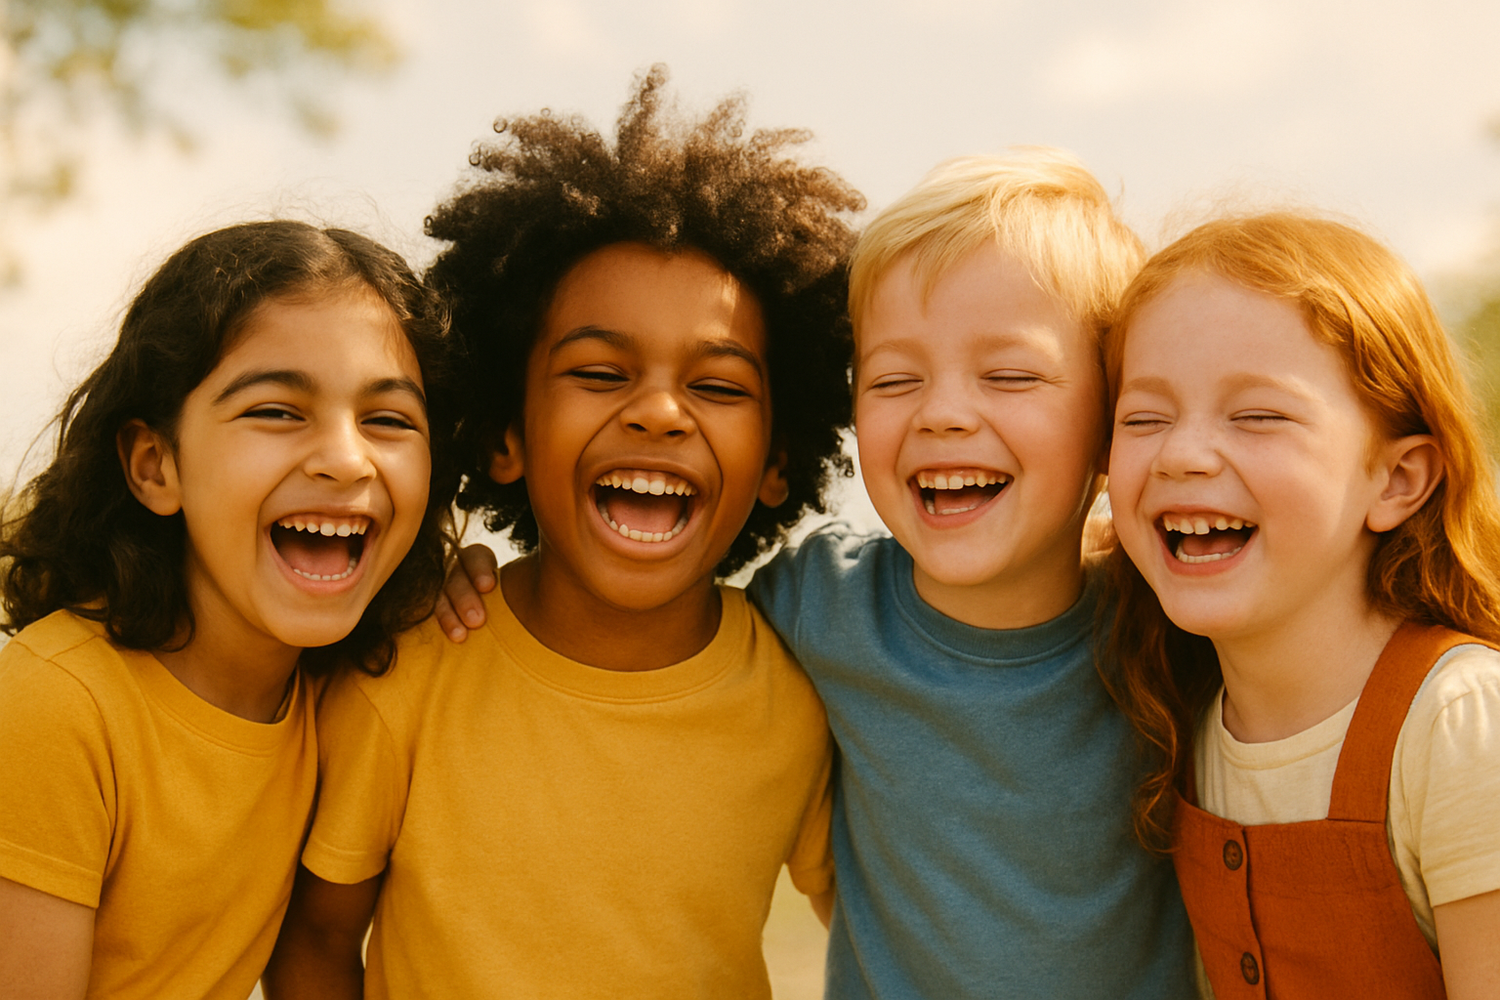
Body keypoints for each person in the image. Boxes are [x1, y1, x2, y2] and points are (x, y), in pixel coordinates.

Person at [442, 149, 1197, 999]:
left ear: (1113, 419)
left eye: (1011, 374)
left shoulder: (1176, 626)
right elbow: (630, 625)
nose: (944, 413)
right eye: (895, 378)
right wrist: (437, 576)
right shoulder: (816, 607)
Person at [262, 66, 864, 1000]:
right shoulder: (412, 669)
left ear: (779, 462)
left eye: (717, 385)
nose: (661, 411)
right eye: (598, 371)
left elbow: (878, 925)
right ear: (506, 434)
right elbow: (316, 945)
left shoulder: (796, 695)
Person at [0, 220, 457, 1000]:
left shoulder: (344, 692)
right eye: (276, 411)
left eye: (387, 420)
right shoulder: (57, 707)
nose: (346, 459)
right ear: (156, 466)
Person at [1104, 212, 1500, 999]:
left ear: (1397, 480)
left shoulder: (1461, 724)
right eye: (1143, 418)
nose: (1181, 455)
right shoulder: (1180, 711)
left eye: (1258, 416)